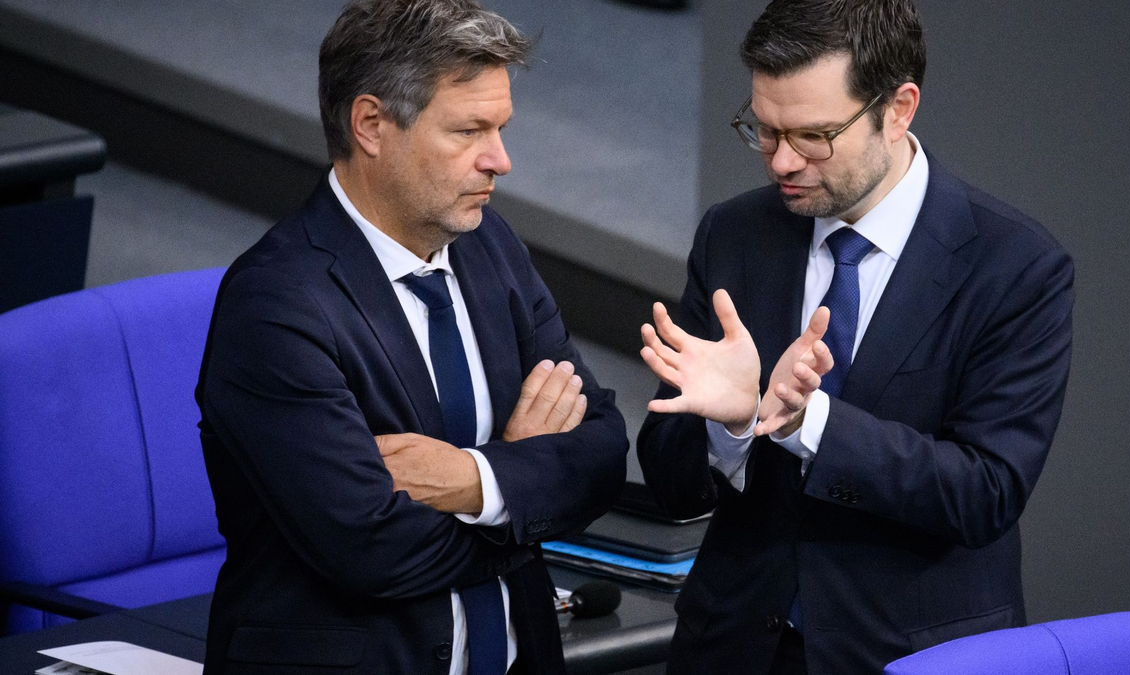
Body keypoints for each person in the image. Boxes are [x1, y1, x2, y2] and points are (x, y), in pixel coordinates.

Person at [636, 0, 1074, 673]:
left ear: (898, 110)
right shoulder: (735, 234)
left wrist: (808, 422)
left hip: (910, 657)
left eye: (813, 136)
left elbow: (985, 490)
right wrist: (731, 425)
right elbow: (671, 482)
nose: (781, 161)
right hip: (734, 649)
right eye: (764, 128)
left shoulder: (1016, 266)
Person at [195, 1, 628, 673]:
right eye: (469, 130)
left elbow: (600, 451)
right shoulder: (275, 307)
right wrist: (525, 488)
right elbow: (371, 548)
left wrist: (475, 479)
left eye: (502, 128)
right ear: (371, 124)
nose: (501, 160)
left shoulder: (491, 247)